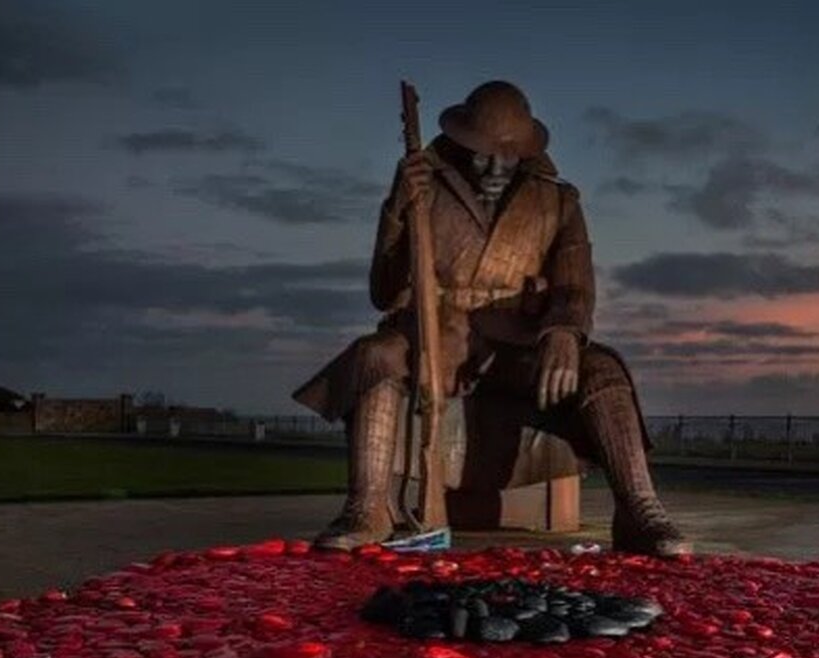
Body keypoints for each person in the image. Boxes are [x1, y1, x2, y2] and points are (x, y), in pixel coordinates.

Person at [293, 81, 689, 557]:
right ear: (462, 143)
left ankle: (639, 509)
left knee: (603, 366)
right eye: (482, 154)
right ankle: (368, 506)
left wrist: (565, 330)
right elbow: (385, 294)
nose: (494, 168)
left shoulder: (558, 201)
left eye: (507, 156)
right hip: (435, 338)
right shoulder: (424, 188)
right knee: (374, 355)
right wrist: (396, 210)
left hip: (515, 347)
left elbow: (574, 286)